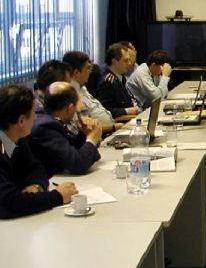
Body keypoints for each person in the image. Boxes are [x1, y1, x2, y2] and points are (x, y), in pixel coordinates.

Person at [0, 85, 77, 218]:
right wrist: (57, 196)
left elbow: (36, 168)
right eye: (33, 113)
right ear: (21, 121)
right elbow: (7, 203)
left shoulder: (17, 139)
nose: (35, 118)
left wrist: (36, 186)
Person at [29, 82, 102, 178]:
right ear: (70, 108)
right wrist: (92, 138)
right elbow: (79, 164)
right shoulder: (45, 127)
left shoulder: (48, 117)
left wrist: (84, 133)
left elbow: (72, 151)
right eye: (76, 108)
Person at [63, 50, 123, 134]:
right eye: (88, 68)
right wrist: (113, 127)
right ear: (77, 72)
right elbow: (82, 127)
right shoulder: (71, 94)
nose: (90, 71)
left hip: (111, 130)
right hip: (102, 134)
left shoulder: (82, 88)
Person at [96, 43, 141, 119]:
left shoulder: (120, 76)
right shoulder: (107, 82)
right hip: (120, 122)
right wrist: (126, 111)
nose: (129, 63)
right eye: (126, 61)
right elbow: (105, 110)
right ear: (114, 61)